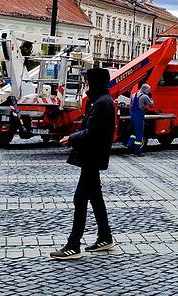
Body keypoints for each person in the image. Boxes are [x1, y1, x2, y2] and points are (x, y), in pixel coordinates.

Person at [51, 67, 116, 260]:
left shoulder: (102, 103)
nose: (86, 82)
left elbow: (93, 133)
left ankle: (73, 245)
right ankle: (105, 237)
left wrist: (70, 138)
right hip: (92, 156)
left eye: (88, 79)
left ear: (95, 82)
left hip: (92, 156)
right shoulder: (100, 100)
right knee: (95, 197)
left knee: (80, 199)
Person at [126, 84, 154, 156]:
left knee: (133, 134)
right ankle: (137, 152)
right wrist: (151, 98)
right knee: (139, 134)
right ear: (147, 90)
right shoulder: (145, 96)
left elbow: (130, 106)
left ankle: (128, 148)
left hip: (132, 116)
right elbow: (151, 105)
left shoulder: (133, 95)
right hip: (139, 116)